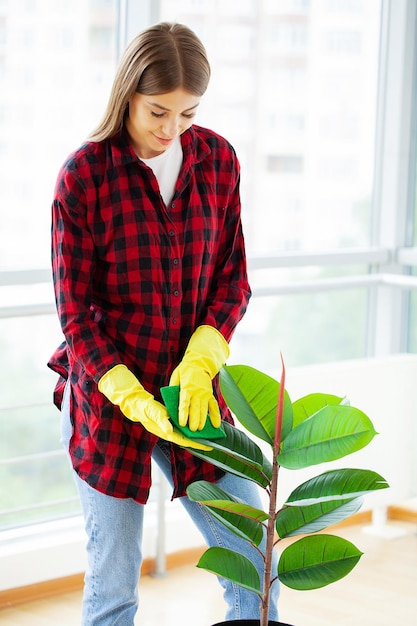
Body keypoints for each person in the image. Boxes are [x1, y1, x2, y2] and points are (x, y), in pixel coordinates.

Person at [48, 21, 279, 625]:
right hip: (109, 399)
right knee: (113, 588)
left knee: (254, 564)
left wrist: (201, 365)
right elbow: (76, 316)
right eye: (158, 111)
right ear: (127, 93)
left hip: (192, 396)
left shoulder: (218, 160)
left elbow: (233, 281)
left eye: (188, 113)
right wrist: (128, 394)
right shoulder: (84, 178)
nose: (171, 129)